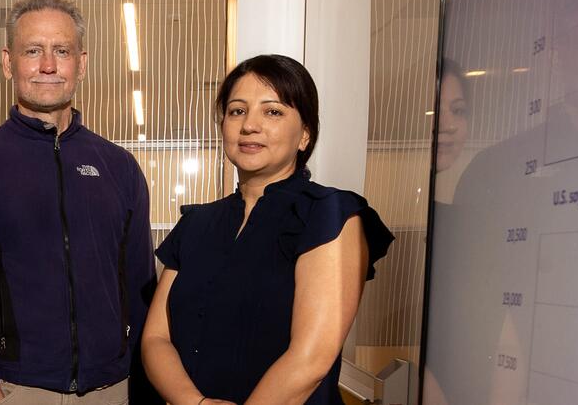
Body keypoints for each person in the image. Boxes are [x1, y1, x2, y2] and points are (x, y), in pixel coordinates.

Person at [0, 0, 155, 405]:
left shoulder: (119, 167)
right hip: (15, 389)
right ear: (8, 62)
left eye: (62, 51)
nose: (49, 65)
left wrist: (137, 381)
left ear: (82, 64)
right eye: (33, 50)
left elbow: (140, 286)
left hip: (112, 390)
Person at [141, 54, 393, 405]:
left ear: (305, 135)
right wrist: (193, 402)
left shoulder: (328, 214)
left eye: (272, 111)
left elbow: (310, 359)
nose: (249, 125)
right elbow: (156, 338)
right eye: (237, 111)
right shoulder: (196, 223)